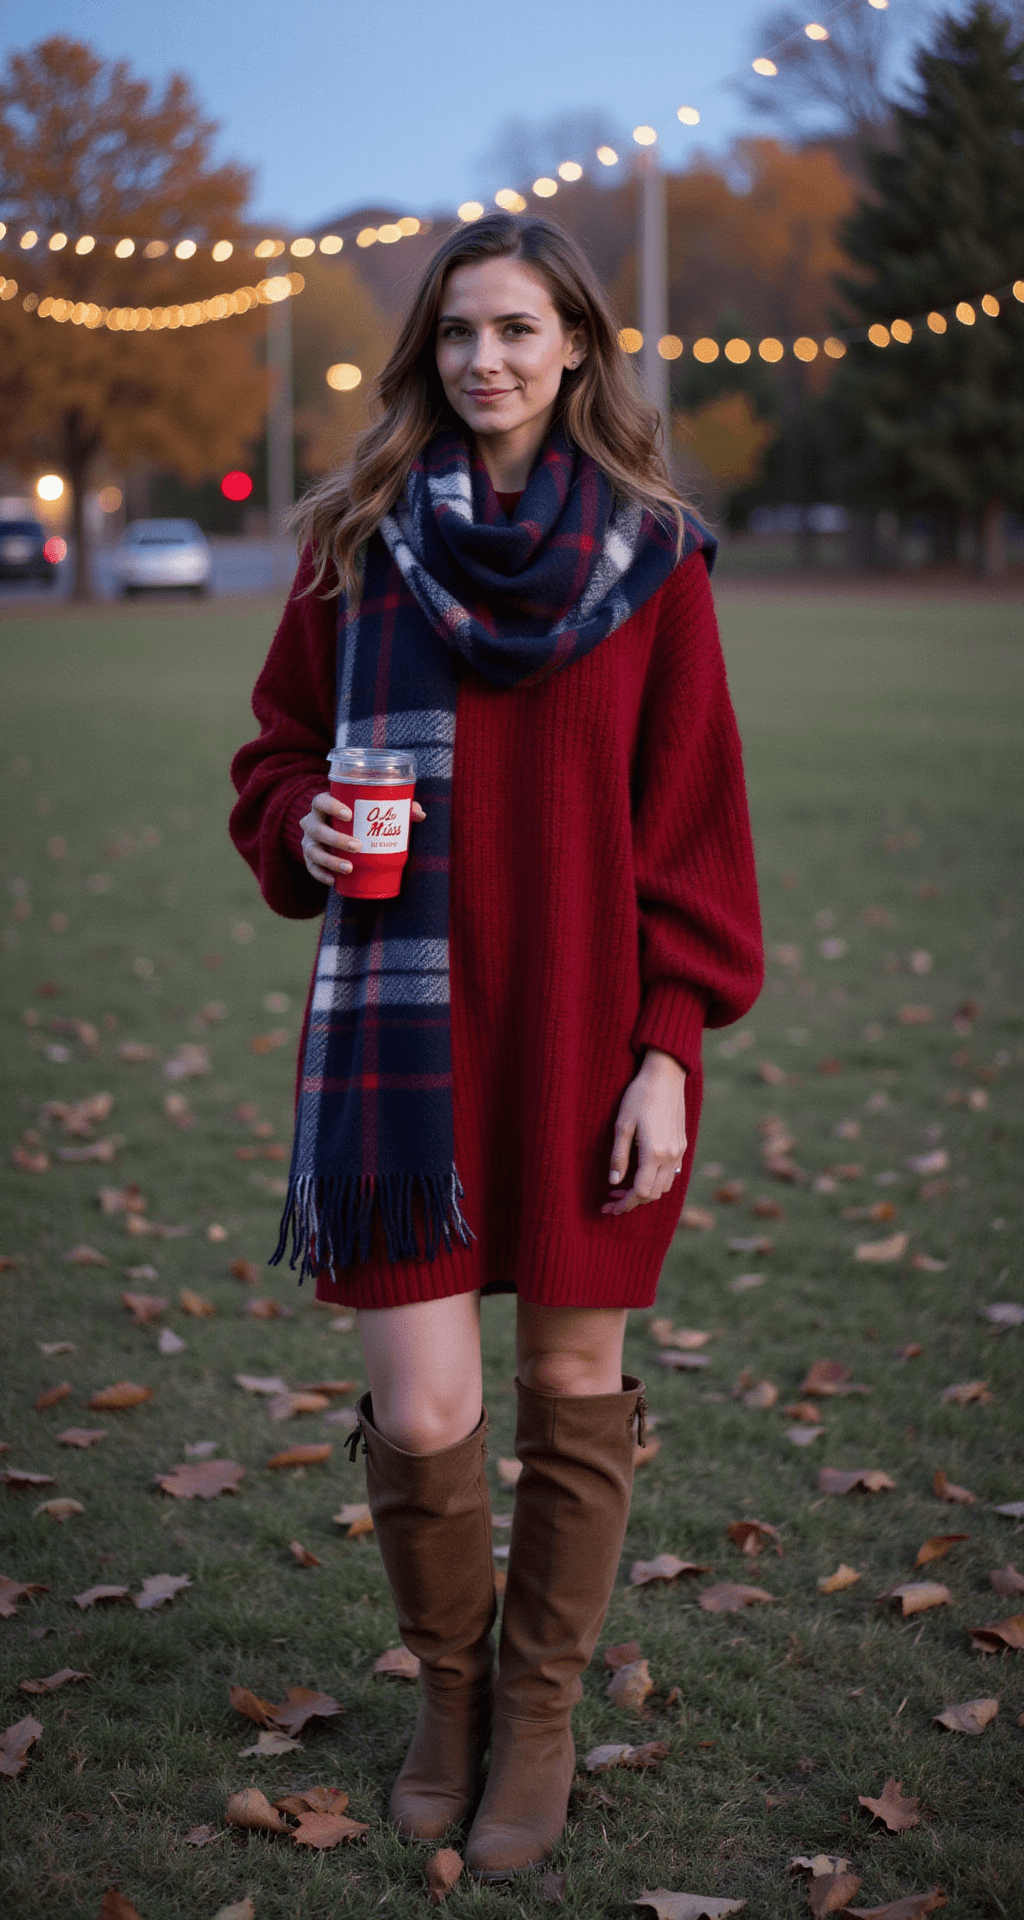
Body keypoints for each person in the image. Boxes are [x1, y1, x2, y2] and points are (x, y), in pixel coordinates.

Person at [230, 211, 763, 1881]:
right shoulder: (356, 539)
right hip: (406, 1046)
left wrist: (669, 1052)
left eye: (520, 331)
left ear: (581, 349)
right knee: (427, 1400)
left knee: (567, 1382)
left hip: (590, 1033)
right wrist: (307, 821)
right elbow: (274, 762)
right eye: (458, 334)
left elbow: (692, 833)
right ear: (425, 353)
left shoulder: (657, 558)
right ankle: (450, 1696)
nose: (486, 362)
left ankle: (539, 1711)